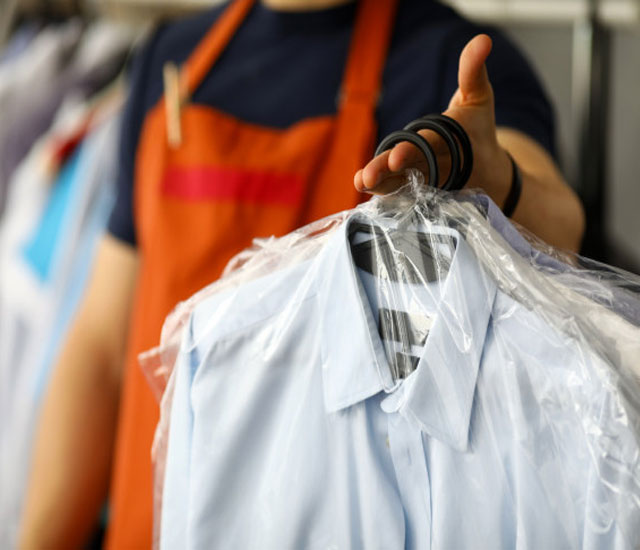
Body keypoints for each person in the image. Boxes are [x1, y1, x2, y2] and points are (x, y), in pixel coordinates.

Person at [19, 0, 584, 548]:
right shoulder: (171, 59)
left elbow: (560, 231)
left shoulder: (450, 60)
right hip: (154, 527)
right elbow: (102, 348)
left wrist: (492, 177)